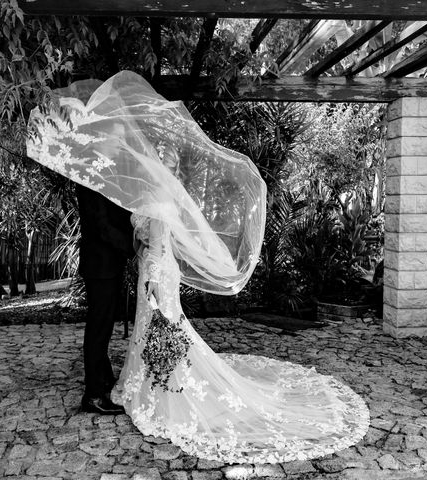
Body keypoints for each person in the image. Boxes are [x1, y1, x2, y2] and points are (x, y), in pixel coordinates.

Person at [26, 70, 369, 464]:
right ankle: (96, 391)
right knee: (103, 324)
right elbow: (104, 228)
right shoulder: (94, 179)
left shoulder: (140, 190)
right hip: (108, 264)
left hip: (148, 268)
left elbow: (144, 233)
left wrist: (140, 250)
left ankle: (137, 385)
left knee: (138, 324)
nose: (126, 146)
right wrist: (134, 246)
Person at [76, 184, 134, 415]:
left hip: (109, 263)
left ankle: (104, 378)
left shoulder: (103, 176)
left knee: (105, 325)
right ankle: (93, 395)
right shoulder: (87, 181)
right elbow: (100, 226)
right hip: (99, 264)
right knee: (98, 328)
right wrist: (131, 245)